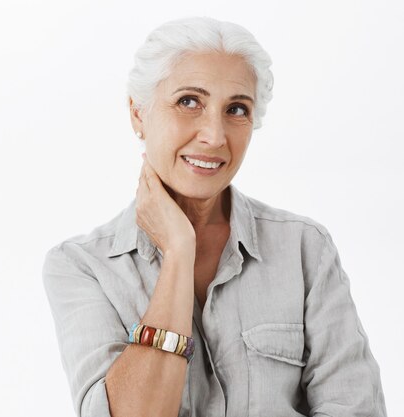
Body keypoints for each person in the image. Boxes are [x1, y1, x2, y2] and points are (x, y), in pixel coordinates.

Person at [42, 16, 387, 417]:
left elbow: (356, 407)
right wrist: (177, 254)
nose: (215, 136)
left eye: (236, 109)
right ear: (138, 113)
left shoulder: (304, 249)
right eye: (189, 101)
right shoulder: (82, 267)